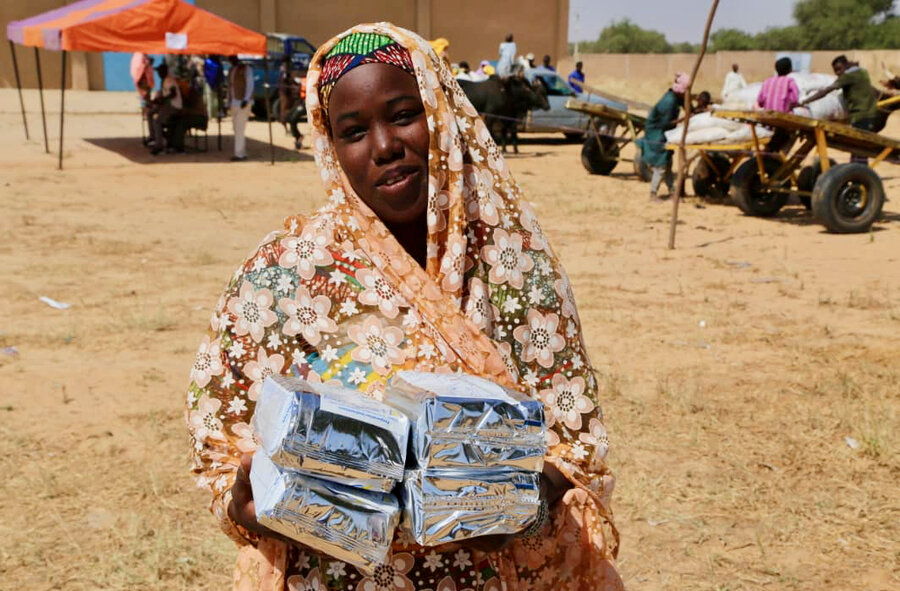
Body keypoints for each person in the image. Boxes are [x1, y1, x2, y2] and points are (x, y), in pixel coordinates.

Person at [186, 22, 622, 591]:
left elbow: (575, 442)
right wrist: (252, 504)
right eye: (353, 130)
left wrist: (515, 504)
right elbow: (220, 437)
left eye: (401, 114)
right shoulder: (286, 272)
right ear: (331, 146)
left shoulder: (513, 266)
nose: (385, 146)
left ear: (440, 114)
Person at [800, 55, 878, 161]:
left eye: (839, 69)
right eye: (835, 71)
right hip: (870, 114)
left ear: (846, 65)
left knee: (859, 149)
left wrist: (805, 101)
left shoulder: (848, 76)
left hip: (860, 115)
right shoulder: (862, 72)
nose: (837, 73)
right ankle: (857, 170)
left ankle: (858, 172)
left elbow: (826, 91)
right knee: (860, 148)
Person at [638, 72, 689, 202]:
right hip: (657, 134)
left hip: (663, 133)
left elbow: (687, 105)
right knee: (660, 166)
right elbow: (665, 123)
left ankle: (672, 192)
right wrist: (683, 119)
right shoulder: (669, 101)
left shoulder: (675, 98)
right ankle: (653, 194)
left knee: (668, 163)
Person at [757, 57, 800, 153]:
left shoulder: (767, 81)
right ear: (790, 70)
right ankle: (780, 154)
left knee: (779, 134)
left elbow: (760, 101)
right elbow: (794, 100)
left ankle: (771, 150)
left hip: (767, 116)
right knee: (792, 133)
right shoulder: (790, 81)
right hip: (782, 117)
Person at [148, 62, 184, 155]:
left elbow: (173, 93)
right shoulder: (164, 81)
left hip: (174, 106)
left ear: (165, 72)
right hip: (168, 105)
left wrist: (163, 99)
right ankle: (153, 137)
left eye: (160, 72)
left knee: (157, 121)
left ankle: (159, 144)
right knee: (150, 113)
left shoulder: (169, 80)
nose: (159, 74)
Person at [227, 55, 254, 162]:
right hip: (234, 102)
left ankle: (239, 154)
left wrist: (246, 99)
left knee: (239, 128)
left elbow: (250, 84)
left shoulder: (246, 69)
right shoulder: (231, 70)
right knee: (235, 128)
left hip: (243, 102)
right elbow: (230, 87)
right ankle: (241, 151)